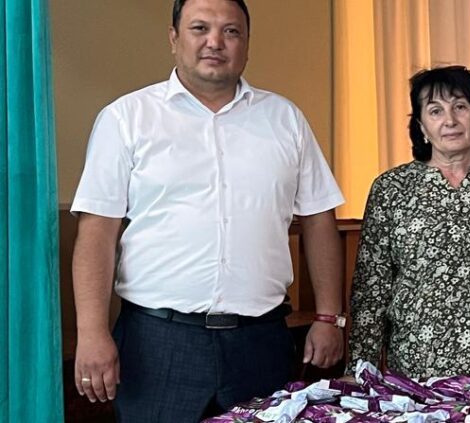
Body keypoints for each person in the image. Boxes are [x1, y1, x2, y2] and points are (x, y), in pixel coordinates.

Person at [70, 0, 346, 420]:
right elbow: (97, 234)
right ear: (173, 38)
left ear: (247, 44)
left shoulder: (285, 119)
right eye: (200, 28)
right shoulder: (126, 118)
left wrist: (329, 316)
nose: (215, 42)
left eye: (231, 31)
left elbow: (319, 218)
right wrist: (91, 332)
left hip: (260, 341)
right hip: (157, 342)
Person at [346, 66, 470, 379]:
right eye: (435, 111)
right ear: (421, 125)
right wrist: (360, 369)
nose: (450, 120)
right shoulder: (392, 188)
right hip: (412, 370)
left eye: (460, 107)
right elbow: (371, 287)